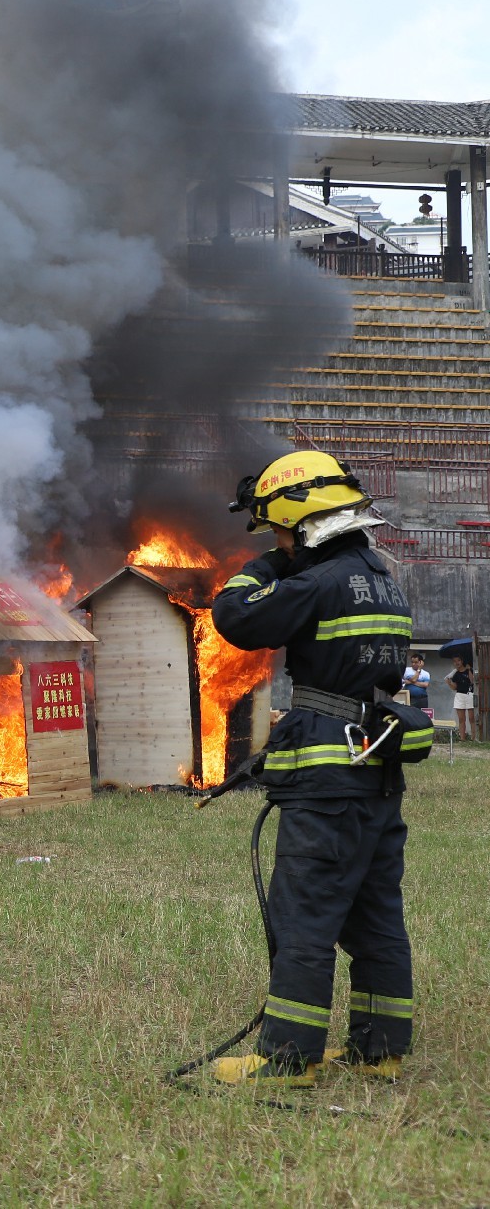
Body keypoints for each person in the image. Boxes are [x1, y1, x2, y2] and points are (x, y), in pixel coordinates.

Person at [207, 450, 417, 1087]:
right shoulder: (383, 577)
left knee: (304, 915)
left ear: (301, 523)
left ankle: (287, 1058)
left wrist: (271, 562)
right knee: (376, 916)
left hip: (328, 780)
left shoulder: (315, 583)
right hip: (375, 772)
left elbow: (235, 616)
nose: (275, 541)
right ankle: (380, 1050)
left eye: (277, 529)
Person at [448, 655, 475, 741]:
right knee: (461, 718)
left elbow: (472, 681)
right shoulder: (455, 673)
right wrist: (449, 683)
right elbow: (454, 687)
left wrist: (469, 669)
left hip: (469, 694)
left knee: (471, 718)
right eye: (455, 661)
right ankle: (462, 738)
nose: (457, 663)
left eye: (458, 660)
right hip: (459, 695)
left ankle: (473, 738)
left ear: (462, 661)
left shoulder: (469, 670)